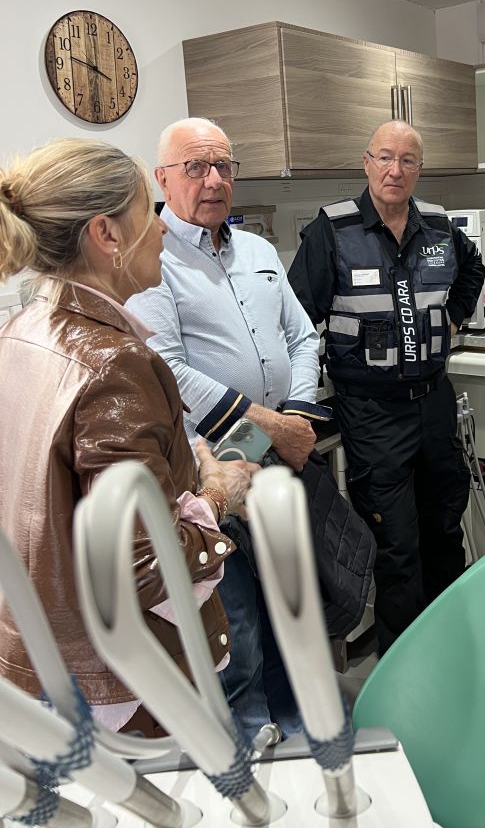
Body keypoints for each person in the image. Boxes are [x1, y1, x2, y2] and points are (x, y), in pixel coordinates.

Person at [0, 138, 254, 735]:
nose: (162, 228)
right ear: (107, 234)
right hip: (122, 687)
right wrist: (218, 494)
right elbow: (144, 563)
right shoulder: (115, 361)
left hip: (40, 661)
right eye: (148, 211)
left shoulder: (22, 329)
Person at [126, 117, 320, 738]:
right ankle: (248, 737)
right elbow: (168, 370)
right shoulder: (151, 255)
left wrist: (297, 416)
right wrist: (271, 428)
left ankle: (299, 724)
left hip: (276, 448)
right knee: (235, 620)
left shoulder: (258, 250)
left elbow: (303, 336)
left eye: (224, 166)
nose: (213, 180)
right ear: (162, 179)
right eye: (196, 167)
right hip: (212, 464)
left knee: (293, 602)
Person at [288, 120, 485, 652]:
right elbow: (297, 315)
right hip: (372, 411)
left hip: (434, 402)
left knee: (445, 529)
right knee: (396, 545)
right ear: (367, 162)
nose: (395, 170)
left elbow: (473, 270)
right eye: (385, 157)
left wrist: (455, 314)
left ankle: (451, 645)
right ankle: (405, 663)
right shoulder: (333, 231)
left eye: (408, 160)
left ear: (419, 169)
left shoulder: (438, 227)